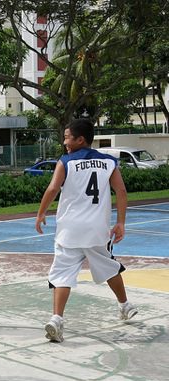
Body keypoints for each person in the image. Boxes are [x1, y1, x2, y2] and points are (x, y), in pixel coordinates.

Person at [35, 118, 138, 343]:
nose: (64, 142)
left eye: (67, 137)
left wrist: (41, 212)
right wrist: (121, 222)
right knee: (109, 266)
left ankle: (57, 319)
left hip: (69, 229)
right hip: (97, 229)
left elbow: (53, 188)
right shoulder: (109, 162)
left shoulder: (67, 162)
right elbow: (121, 191)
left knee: (62, 273)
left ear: (80, 139)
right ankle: (125, 305)